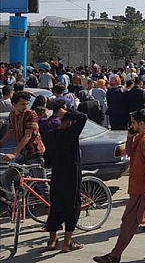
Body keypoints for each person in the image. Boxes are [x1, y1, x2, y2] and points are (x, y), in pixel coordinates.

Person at [93, 110, 145, 263]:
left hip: (143, 190)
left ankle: (114, 256)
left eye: (133, 123)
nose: (131, 125)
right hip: (140, 188)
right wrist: (129, 136)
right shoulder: (140, 138)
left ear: (141, 124)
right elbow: (130, 152)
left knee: (129, 222)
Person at [44, 108, 87, 253]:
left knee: (55, 206)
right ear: (68, 122)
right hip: (71, 174)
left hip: (57, 174)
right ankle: (67, 242)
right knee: (72, 206)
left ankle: (52, 241)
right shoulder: (70, 133)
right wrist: (67, 113)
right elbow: (83, 117)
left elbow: (47, 160)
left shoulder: (51, 135)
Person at [0, 91, 47, 200]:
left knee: (41, 184)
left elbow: (28, 135)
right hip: (23, 153)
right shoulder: (12, 115)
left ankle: (51, 208)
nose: (25, 106)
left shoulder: (31, 114)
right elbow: (11, 131)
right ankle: (14, 205)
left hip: (35, 153)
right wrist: (1, 143)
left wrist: (14, 153)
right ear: (14, 104)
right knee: (6, 178)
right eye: (22, 104)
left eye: (26, 104)